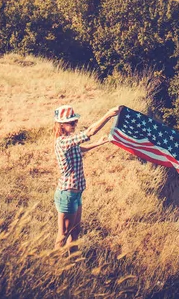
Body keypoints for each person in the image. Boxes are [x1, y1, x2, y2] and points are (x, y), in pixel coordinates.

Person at [53, 104, 121, 249]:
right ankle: (54, 265)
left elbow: (80, 148)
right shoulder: (63, 141)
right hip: (68, 193)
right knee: (63, 235)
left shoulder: (69, 140)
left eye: (74, 121)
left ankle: (72, 262)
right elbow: (90, 131)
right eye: (71, 122)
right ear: (61, 125)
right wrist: (108, 114)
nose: (74, 124)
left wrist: (99, 144)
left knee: (75, 232)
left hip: (76, 193)